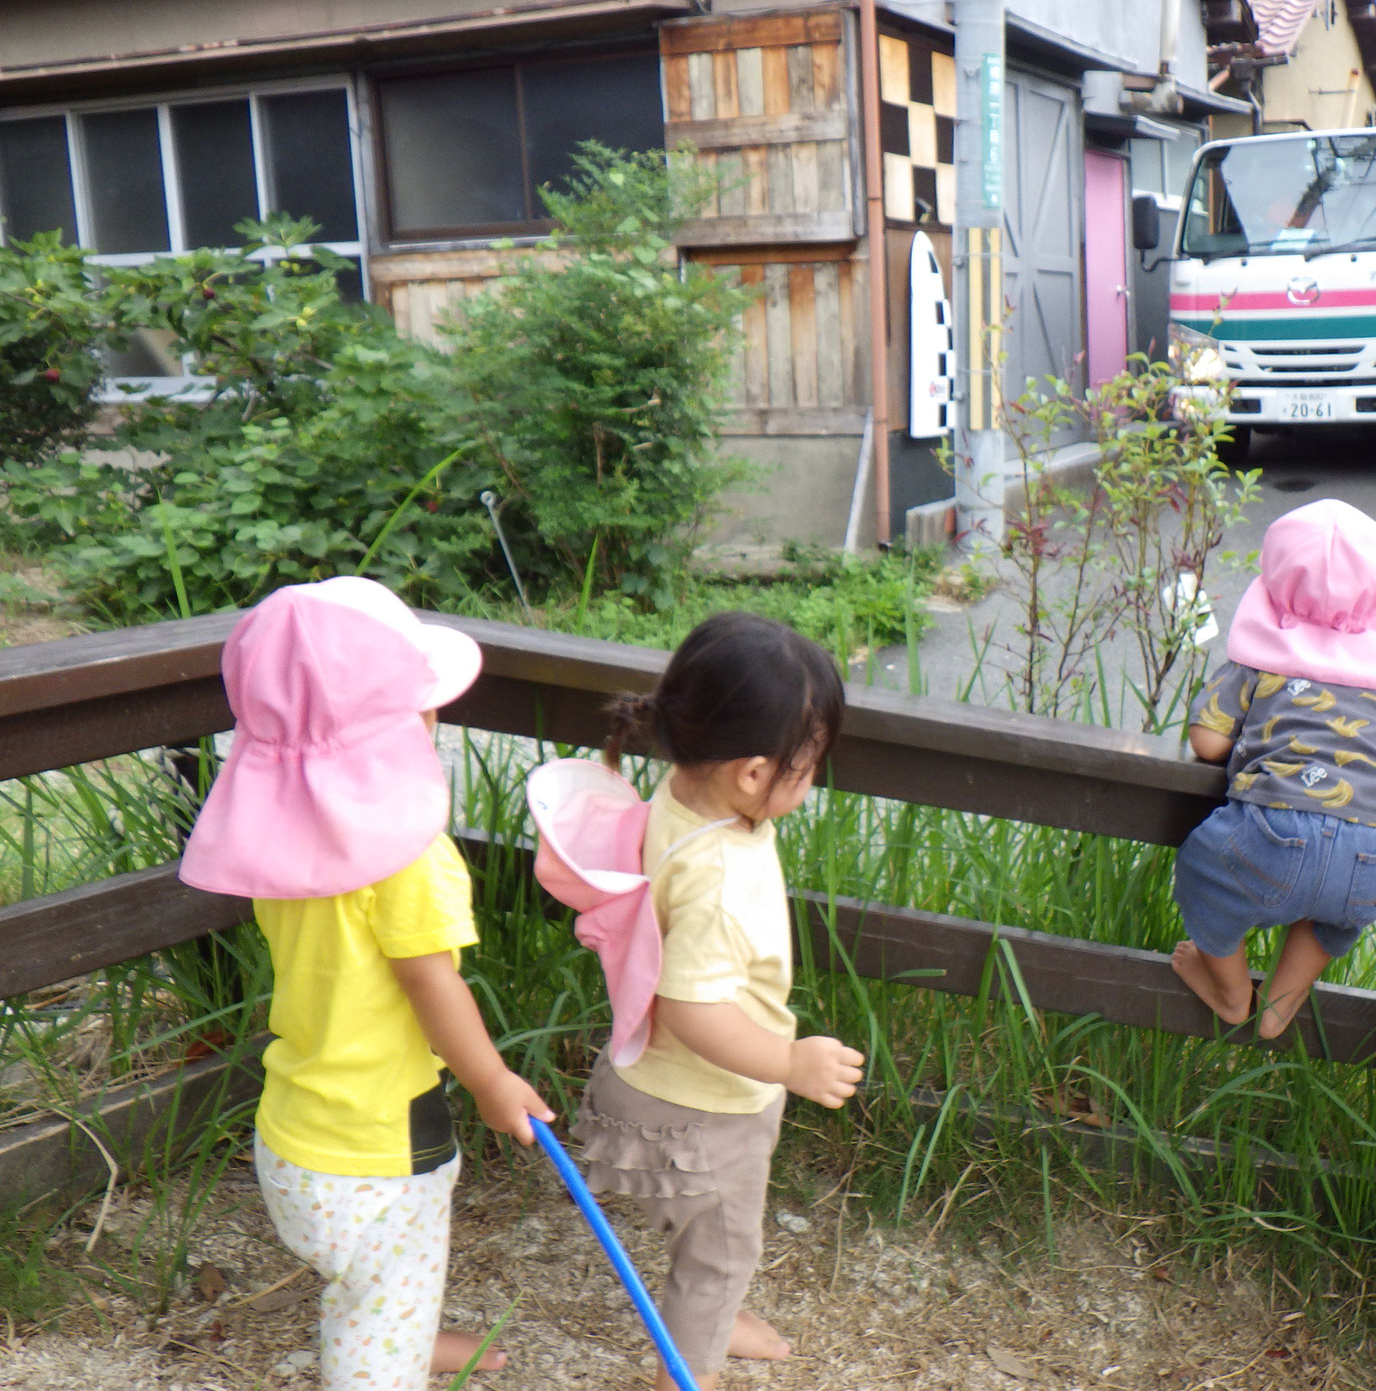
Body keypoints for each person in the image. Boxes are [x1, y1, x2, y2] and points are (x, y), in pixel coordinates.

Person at [180, 576, 553, 1390]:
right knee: (383, 1295)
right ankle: (389, 1351)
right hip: (380, 1150)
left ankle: (404, 1333)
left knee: (373, 1283)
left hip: (296, 1132)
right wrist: (491, 1080)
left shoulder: (277, 838)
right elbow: (429, 982)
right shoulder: (412, 861)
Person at [572, 611, 865, 1391]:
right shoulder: (722, 880)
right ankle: (690, 1360)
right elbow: (695, 1010)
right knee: (723, 1252)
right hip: (706, 1113)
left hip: (639, 1079)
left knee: (699, 1234)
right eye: (807, 769)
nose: (809, 783)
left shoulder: (679, 794)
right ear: (752, 772)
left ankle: (711, 1309)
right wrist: (789, 1062)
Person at [1171, 499, 1376, 1039]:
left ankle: (1234, 994)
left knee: (1201, 875)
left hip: (1274, 835)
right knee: (1339, 911)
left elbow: (1208, 744)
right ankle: (1279, 1005)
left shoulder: (1258, 659)